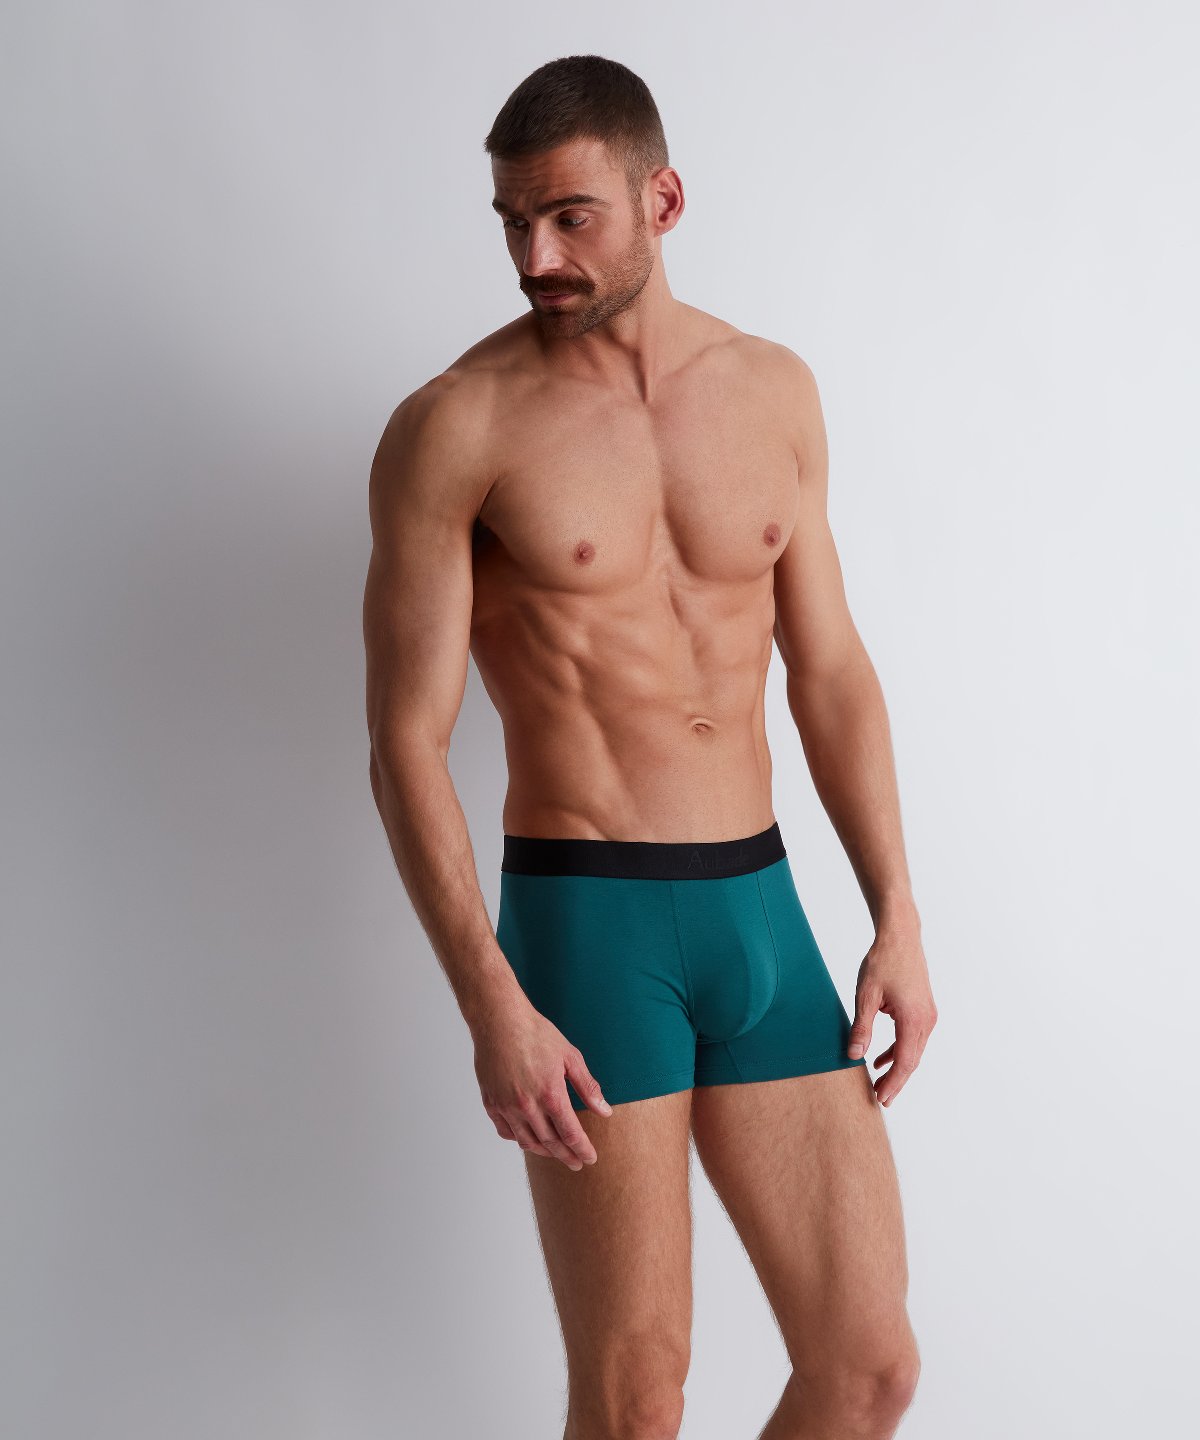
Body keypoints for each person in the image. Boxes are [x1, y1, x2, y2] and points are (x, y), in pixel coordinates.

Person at [363, 52, 937, 1440]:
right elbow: (405, 741)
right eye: (513, 222)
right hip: (587, 923)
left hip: (760, 909)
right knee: (636, 1401)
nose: (535, 257)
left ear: (663, 200)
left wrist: (897, 910)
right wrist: (491, 1003)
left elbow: (831, 671)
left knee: (867, 1368)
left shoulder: (773, 390)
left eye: (570, 217)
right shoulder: (457, 426)